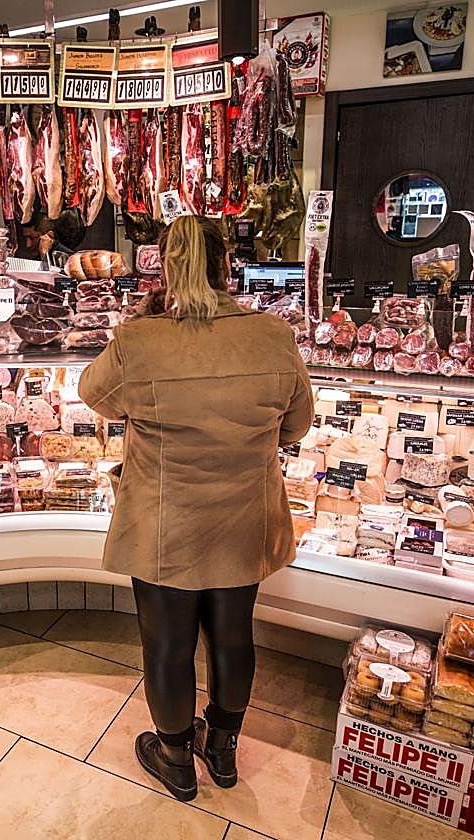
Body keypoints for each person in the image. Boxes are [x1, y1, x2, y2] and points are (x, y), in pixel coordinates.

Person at [77, 216, 314, 802]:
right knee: (233, 637)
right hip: (243, 517)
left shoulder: (140, 338)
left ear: (166, 267)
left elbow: (93, 395)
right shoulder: (272, 334)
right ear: (225, 263)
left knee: (167, 644)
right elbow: (297, 425)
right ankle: (224, 751)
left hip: (165, 522)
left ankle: (176, 756)